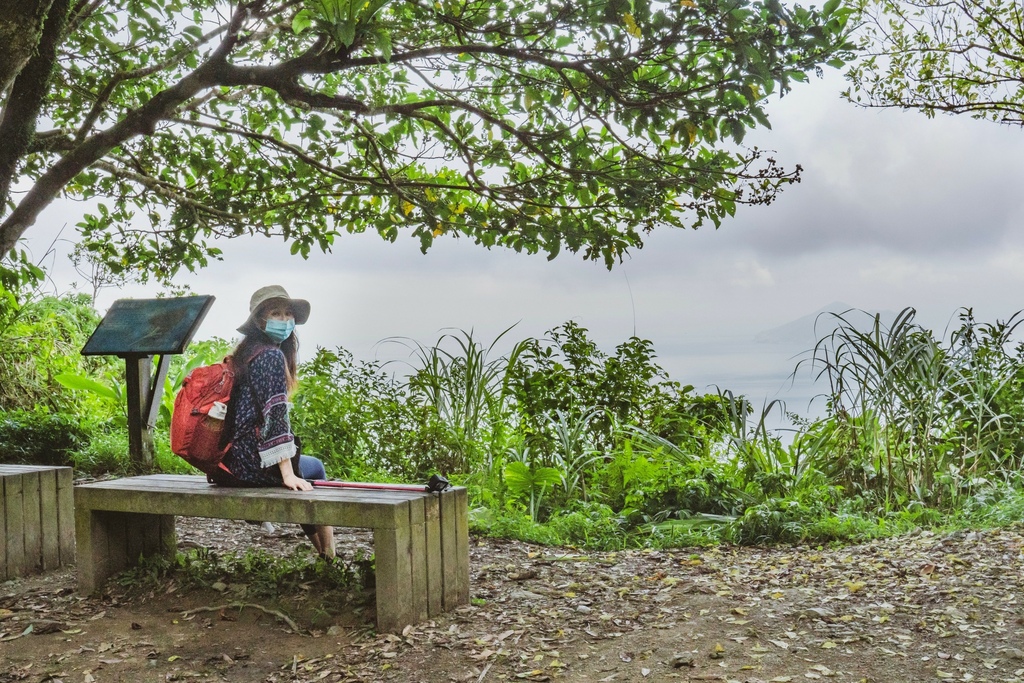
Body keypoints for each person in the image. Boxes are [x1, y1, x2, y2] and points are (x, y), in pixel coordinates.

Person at [208, 285, 335, 559]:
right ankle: (330, 556)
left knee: (304, 471)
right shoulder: (270, 356)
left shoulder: (247, 353)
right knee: (314, 469)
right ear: (260, 320)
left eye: (288, 313)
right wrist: (287, 474)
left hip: (230, 461)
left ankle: (327, 556)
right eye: (275, 313)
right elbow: (275, 416)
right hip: (250, 463)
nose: (284, 319)